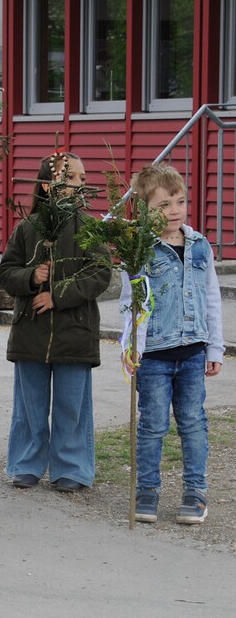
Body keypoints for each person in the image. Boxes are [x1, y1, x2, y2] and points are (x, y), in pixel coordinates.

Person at [0, 151, 110, 492]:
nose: (80, 184)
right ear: (47, 185)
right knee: (29, 405)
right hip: (31, 332)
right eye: (71, 177)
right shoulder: (27, 227)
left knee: (71, 406)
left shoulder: (88, 228)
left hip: (75, 332)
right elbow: (6, 272)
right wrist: (32, 277)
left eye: (82, 179)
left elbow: (100, 273)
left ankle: (71, 468)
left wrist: (56, 294)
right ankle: (26, 463)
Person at [121, 164, 223, 525]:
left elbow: (211, 298)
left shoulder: (200, 246)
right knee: (152, 425)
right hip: (154, 356)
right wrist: (129, 347)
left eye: (179, 201)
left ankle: (195, 492)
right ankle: (147, 491)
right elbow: (130, 303)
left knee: (193, 422)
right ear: (145, 209)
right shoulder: (139, 250)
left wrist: (215, 347)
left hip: (193, 352)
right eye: (163, 205)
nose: (174, 211)